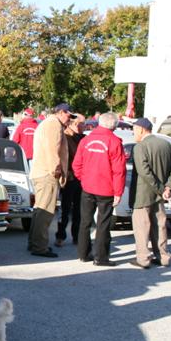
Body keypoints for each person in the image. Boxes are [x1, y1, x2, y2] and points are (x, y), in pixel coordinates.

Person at [72, 111, 127, 267]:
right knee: (103, 224)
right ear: (115, 126)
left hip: (88, 187)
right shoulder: (115, 142)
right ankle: (101, 258)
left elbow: (77, 164)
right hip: (106, 189)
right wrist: (118, 192)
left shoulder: (86, 140)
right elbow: (119, 170)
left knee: (85, 221)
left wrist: (84, 179)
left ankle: (83, 254)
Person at [129, 118, 171, 268]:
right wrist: (168, 187)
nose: (133, 133)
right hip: (160, 195)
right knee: (160, 226)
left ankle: (143, 259)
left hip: (142, 194)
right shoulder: (166, 145)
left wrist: (161, 189)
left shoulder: (140, 147)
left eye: (134, 130)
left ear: (142, 129)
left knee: (142, 227)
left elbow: (144, 172)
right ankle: (163, 257)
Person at [27, 103, 72, 258]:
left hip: (41, 171)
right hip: (47, 173)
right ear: (60, 112)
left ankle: (34, 242)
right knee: (45, 212)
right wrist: (56, 171)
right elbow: (53, 149)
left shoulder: (48, 123)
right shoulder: (54, 125)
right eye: (69, 115)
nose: (70, 119)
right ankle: (40, 246)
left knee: (40, 210)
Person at [55, 113, 85, 246]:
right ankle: (60, 236)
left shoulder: (84, 138)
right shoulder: (66, 137)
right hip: (70, 177)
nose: (82, 127)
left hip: (81, 178)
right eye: (79, 124)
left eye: (83, 124)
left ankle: (76, 236)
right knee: (65, 209)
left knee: (79, 209)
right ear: (72, 124)